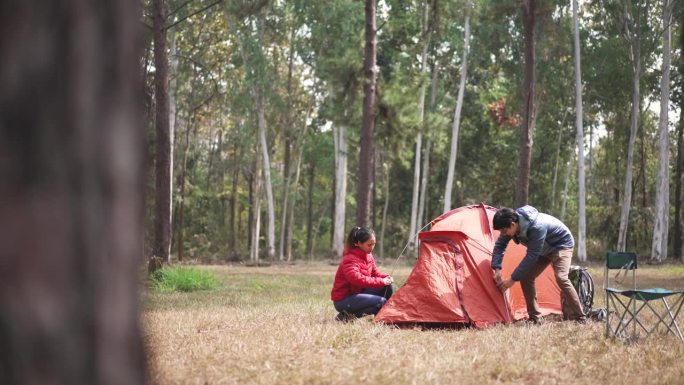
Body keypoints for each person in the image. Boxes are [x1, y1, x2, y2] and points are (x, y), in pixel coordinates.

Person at [491, 205, 586, 324]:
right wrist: (497, 267)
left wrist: (512, 279)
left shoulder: (537, 227)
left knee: (561, 277)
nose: (503, 234)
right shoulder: (511, 226)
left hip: (561, 245)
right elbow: (499, 246)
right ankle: (535, 318)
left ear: (513, 224)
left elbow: (531, 256)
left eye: (504, 231)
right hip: (543, 249)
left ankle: (581, 318)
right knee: (526, 277)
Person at [330, 226, 394, 321]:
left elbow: (375, 274)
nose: (372, 247)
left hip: (358, 293)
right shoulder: (349, 259)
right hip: (343, 299)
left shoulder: (368, 255)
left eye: (374, 244)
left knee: (388, 286)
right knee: (381, 302)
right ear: (359, 243)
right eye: (369, 245)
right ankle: (346, 315)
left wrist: (386, 278)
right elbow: (358, 279)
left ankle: (349, 316)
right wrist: (381, 281)